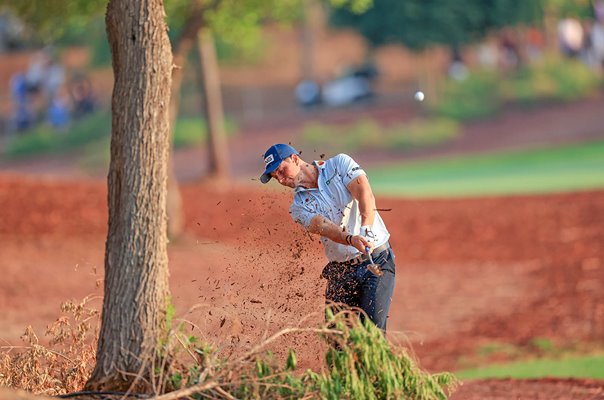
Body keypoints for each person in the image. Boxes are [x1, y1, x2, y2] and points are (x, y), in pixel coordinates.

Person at [259, 144, 396, 331]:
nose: (281, 179)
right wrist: (350, 239)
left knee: (373, 333)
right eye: (276, 177)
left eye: (281, 170)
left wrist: (366, 229)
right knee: (337, 339)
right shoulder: (298, 207)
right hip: (341, 271)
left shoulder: (339, 164)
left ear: (295, 159)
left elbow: (364, 192)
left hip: (377, 260)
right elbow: (323, 226)